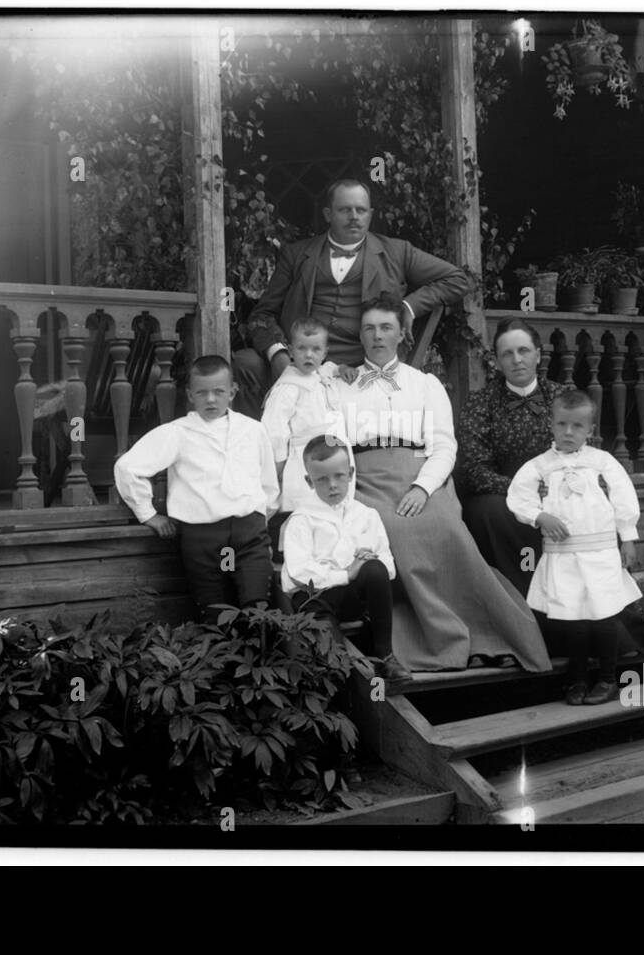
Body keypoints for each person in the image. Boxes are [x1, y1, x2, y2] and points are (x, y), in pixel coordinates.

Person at [340, 292, 552, 673]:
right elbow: (338, 446)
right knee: (392, 530)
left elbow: (443, 445)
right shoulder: (341, 385)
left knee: (447, 529)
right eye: (369, 328)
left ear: (402, 333)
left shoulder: (425, 385)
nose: (377, 336)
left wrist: (423, 487)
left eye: (386, 327)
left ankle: (490, 636)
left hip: (424, 476)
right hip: (367, 481)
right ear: (360, 335)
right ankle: (432, 640)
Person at [232, 179, 470, 417]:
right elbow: (262, 315)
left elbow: (459, 279)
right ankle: (261, 447)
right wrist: (280, 356)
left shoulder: (397, 252)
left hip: (361, 363)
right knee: (246, 363)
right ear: (328, 214)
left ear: (370, 214)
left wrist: (408, 307)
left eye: (361, 210)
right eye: (345, 210)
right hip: (303, 358)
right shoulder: (296, 255)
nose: (354, 216)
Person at [506, 390, 644, 705]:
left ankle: (609, 679)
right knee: (574, 620)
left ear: (590, 430)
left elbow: (624, 497)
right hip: (563, 555)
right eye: (562, 424)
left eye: (578, 426)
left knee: (604, 615)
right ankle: (579, 680)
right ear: (551, 425)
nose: (569, 432)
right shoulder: (540, 466)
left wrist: (628, 537)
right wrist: (539, 516)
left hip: (600, 553)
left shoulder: (601, 462)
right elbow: (517, 496)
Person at [113, 354, 279, 620]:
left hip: (248, 535)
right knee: (215, 613)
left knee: (257, 608)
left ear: (233, 392)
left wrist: (260, 520)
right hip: (203, 539)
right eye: (202, 393)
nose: (211, 399)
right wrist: (148, 514)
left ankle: (258, 660)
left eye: (218, 391)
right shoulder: (178, 433)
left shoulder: (253, 431)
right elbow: (128, 467)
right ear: (190, 395)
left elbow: (268, 485)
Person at [457, 317, 588, 598]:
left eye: (524, 351)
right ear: (497, 361)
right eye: (507, 353)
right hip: (501, 494)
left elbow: (581, 454)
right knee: (487, 512)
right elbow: (475, 471)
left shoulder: (562, 398)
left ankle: (588, 616)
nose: (517, 360)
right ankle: (523, 609)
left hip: (557, 488)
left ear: (538, 354)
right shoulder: (481, 403)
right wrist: (524, 491)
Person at [281, 434, 409, 683]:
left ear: (350, 473)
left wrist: (368, 558)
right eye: (322, 479)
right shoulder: (302, 519)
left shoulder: (366, 515)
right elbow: (299, 571)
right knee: (336, 664)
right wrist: (346, 573)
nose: (332, 485)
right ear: (309, 481)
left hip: (350, 599)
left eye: (339, 476)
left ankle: (385, 656)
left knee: (375, 569)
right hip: (315, 599)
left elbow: (389, 567)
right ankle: (336, 662)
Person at [260, 317, 351, 519]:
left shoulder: (322, 373)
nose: (309, 355)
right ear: (290, 351)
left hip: (336, 456)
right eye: (302, 349)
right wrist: (278, 464)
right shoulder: (289, 387)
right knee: (307, 510)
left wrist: (341, 369)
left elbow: (330, 368)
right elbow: (274, 429)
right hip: (304, 459)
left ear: (325, 352)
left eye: (316, 350)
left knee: (337, 509)